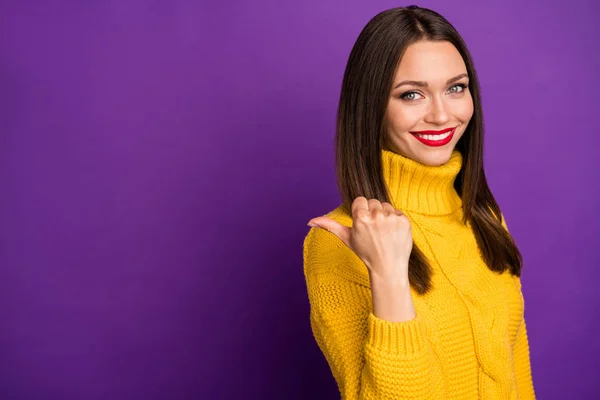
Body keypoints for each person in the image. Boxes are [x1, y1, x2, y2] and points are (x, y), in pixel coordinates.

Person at [303, 5, 535, 400]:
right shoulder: (337, 243)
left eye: (456, 88)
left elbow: (517, 376)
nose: (442, 114)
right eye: (411, 94)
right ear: (372, 106)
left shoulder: (484, 217)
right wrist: (389, 273)